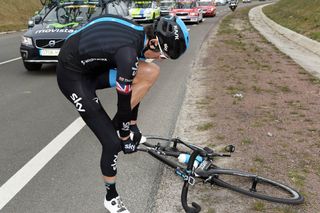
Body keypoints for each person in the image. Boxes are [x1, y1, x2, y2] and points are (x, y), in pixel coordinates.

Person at [56, 14, 189, 213]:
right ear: (154, 43)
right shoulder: (128, 52)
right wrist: (125, 135)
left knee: (150, 72)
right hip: (73, 76)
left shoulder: (139, 37)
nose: (162, 59)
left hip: (93, 65)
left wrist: (131, 124)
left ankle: (122, 126)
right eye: (163, 55)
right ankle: (111, 197)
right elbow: (123, 97)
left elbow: (136, 85)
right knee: (112, 142)